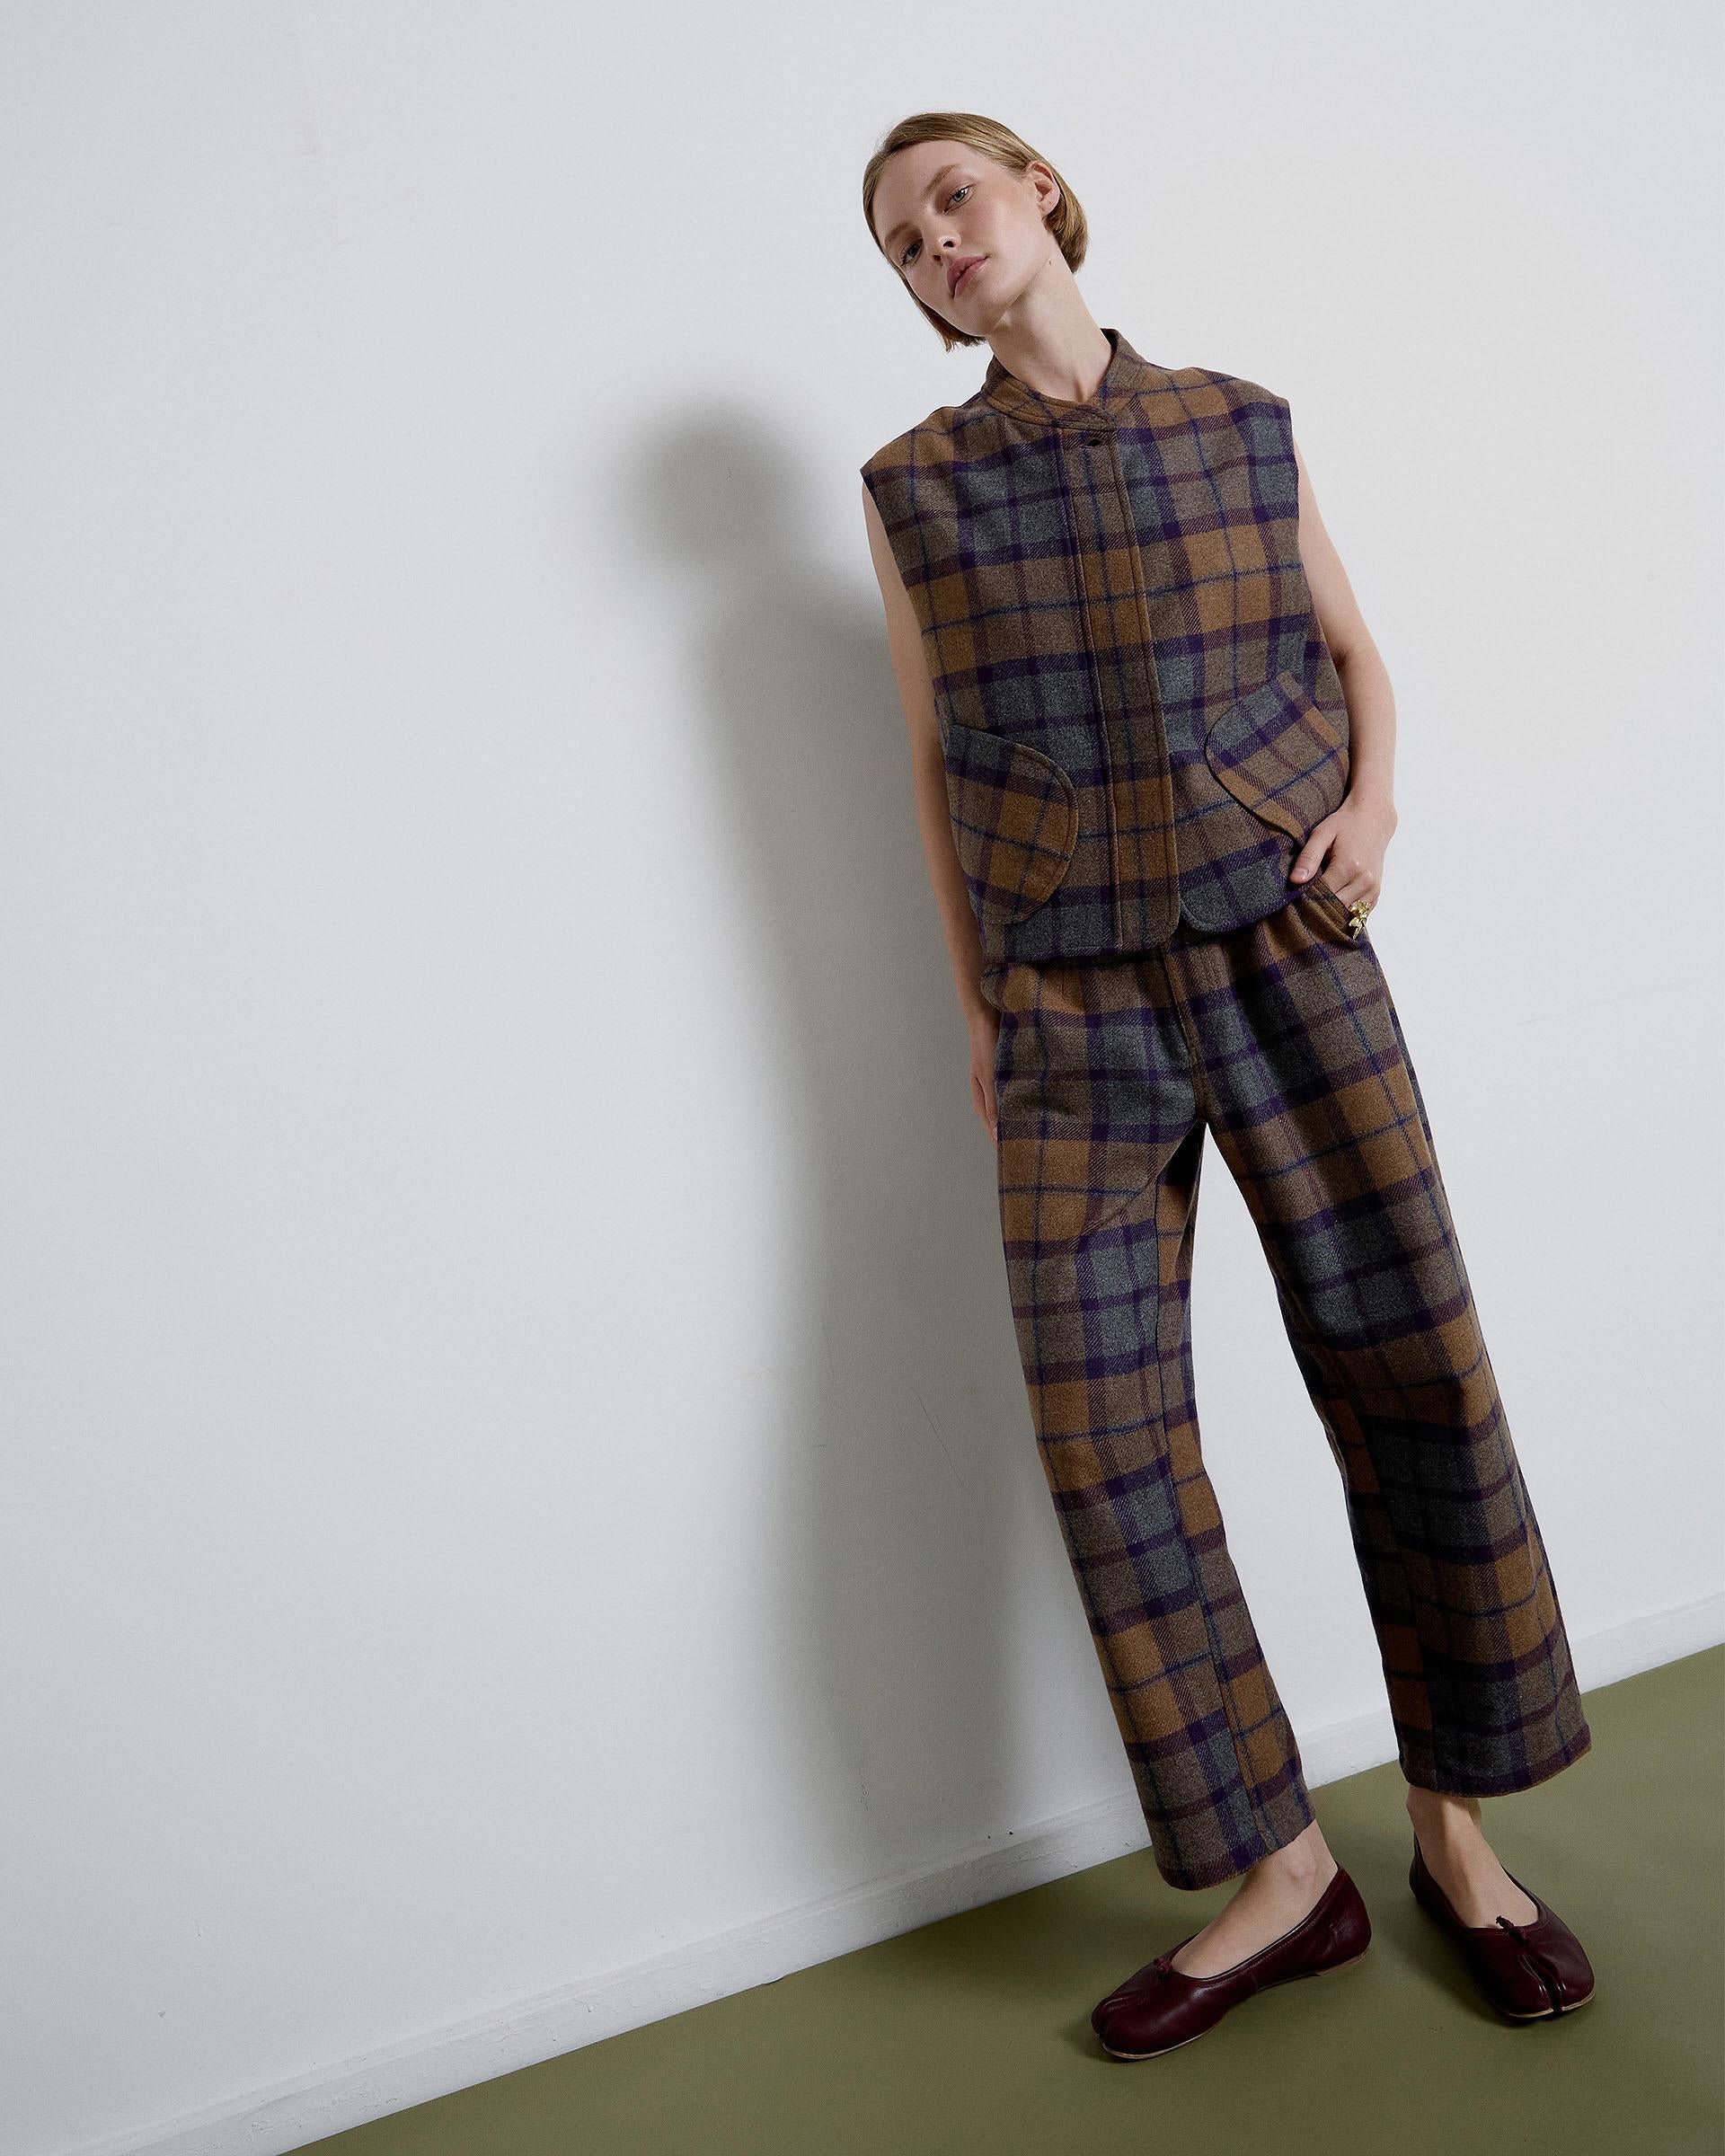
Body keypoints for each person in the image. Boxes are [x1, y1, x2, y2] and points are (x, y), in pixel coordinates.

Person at [858, 110, 1597, 2058]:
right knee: (1104, 1429)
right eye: (902, 241)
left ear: (1037, 189)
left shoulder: (1237, 424)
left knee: (1406, 1354)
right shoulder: (912, 490)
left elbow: (1353, 649)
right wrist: (978, 1006)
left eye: (953, 195)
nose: (938, 240)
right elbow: (931, 762)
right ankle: (1281, 1872)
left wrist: (1373, 810)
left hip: (1286, 938)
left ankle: (1456, 1835)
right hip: (1066, 1001)